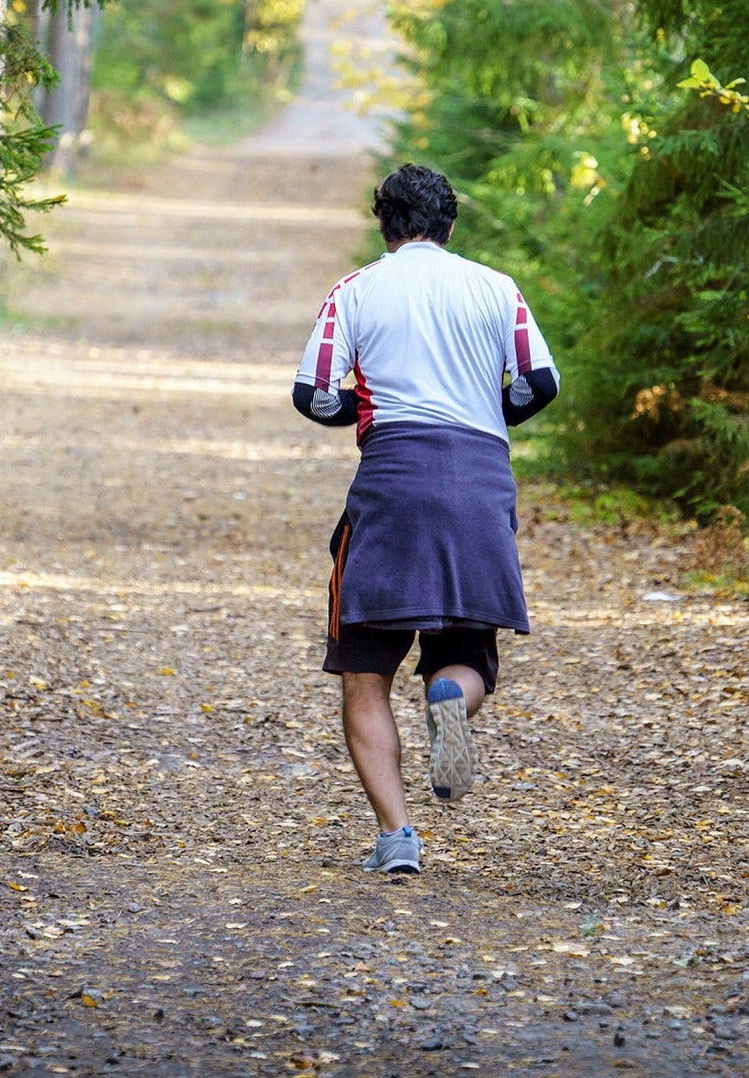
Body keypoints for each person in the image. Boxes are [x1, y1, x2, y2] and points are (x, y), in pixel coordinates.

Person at [291, 163, 560, 874]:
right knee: (467, 654)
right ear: (449, 223)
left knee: (364, 669)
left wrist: (365, 411)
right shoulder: (497, 288)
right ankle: (449, 697)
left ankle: (397, 838)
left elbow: (312, 394)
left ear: (385, 224)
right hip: (480, 480)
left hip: (393, 480)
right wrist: (484, 412)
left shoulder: (356, 291)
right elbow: (541, 382)